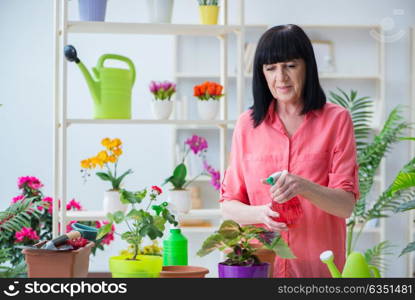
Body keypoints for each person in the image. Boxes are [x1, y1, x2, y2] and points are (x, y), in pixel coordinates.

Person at [219, 24, 359, 278]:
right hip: (259, 267)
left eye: (290, 66)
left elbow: (345, 206)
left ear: (307, 66)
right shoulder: (247, 125)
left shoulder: (337, 121)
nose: (280, 77)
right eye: (270, 68)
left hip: (317, 269)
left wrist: (305, 187)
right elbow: (228, 205)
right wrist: (259, 212)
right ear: (262, 73)